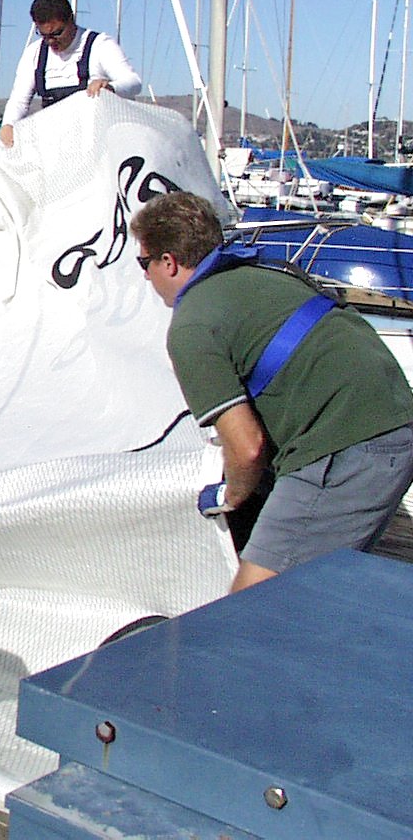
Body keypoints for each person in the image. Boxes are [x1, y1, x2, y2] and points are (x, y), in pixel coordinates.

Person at [130, 191, 413, 592]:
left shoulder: (191, 326)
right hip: (395, 415)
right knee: (315, 586)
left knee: (252, 604)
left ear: (168, 262)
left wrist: (230, 496)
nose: (145, 276)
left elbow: (248, 448)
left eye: (144, 264)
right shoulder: (268, 273)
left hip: (347, 445)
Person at [0, 0, 141, 147]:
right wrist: (8, 124)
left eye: (57, 33)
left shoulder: (101, 45)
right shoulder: (34, 53)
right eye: (44, 35)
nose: (51, 41)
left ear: (71, 20)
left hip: (97, 144)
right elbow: (19, 100)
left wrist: (110, 87)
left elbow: (133, 82)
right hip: (54, 146)